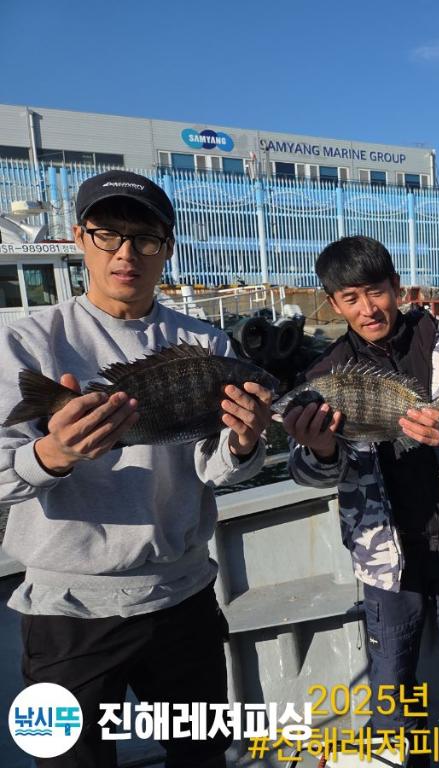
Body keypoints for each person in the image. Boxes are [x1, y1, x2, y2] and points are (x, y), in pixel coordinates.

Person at [0, 170, 273, 767]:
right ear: (80, 237)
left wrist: (244, 443)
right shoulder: (25, 343)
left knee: (201, 758)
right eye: (109, 234)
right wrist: (53, 455)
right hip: (66, 612)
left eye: (146, 239)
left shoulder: (208, 343)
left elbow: (216, 470)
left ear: (166, 248)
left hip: (184, 599)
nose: (127, 253)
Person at [284, 236, 439, 768]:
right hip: (385, 561)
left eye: (376, 291)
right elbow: (306, 470)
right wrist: (320, 448)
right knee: (391, 690)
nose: (368, 308)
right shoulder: (324, 377)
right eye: (350, 298)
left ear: (397, 288)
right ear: (333, 304)